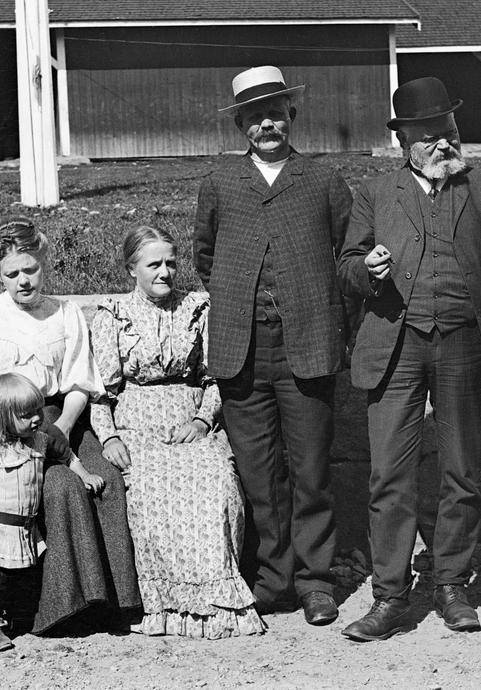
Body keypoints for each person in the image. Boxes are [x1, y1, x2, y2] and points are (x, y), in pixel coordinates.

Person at [337, 77, 481, 641]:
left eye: (451, 132)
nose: (443, 145)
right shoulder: (376, 193)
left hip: (462, 342)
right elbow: (347, 265)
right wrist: (368, 270)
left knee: (462, 468)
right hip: (394, 341)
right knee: (390, 474)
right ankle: (390, 596)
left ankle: (453, 584)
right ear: (404, 140)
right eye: (431, 135)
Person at [0, 219, 141, 635]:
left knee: (107, 479)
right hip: (8, 427)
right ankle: (60, 607)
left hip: (62, 418)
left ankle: (116, 602)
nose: (23, 281)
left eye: (31, 269)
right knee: (59, 486)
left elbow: (81, 381)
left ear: (44, 264)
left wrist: (61, 425)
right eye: (12, 274)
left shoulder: (65, 313)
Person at [194, 65, 349, 625]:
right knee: (260, 475)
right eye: (254, 116)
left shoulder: (322, 181)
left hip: (306, 347)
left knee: (311, 472)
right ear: (240, 124)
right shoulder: (219, 183)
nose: (266, 123)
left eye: (275, 113)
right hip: (242, 352)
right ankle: (273, 579)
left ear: (292, 117)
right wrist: (241, 301)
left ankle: (316, 583)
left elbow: (342, 252)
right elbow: (205, 258)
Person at [90, 226, 265, 638]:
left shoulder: (197, 308)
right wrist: (110, 437)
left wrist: (204, 420)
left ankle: (218, 602)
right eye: (154, 264)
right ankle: (164, 605)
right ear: (132, 269)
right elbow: (99, 390)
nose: (165, 272)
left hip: (191, 420)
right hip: (136, 423)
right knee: (150, 492)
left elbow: (217, 375)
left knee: (218, 482)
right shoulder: (112, 315)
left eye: (171, 262)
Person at [0, 373, 105, 651]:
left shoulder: (39, 441)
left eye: (37, 410)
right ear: (2, 418)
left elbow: (65, 454)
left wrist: (83, 474)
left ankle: (12, 619)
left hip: (22, 529)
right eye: (26, 415)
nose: (36, 418)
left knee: (19, 577)